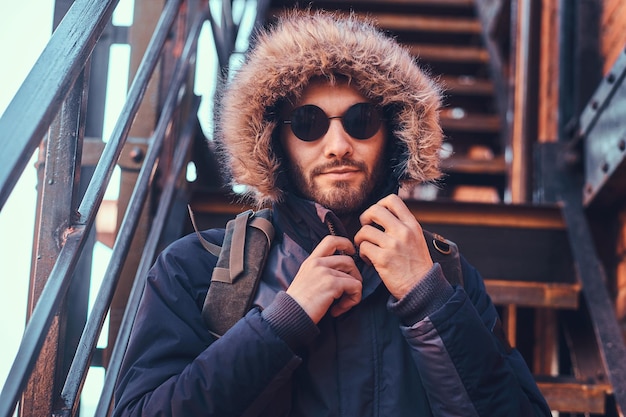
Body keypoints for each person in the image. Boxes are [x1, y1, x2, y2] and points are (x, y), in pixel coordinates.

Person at [113, 10, 551, 417]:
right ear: (275, 141)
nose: (338, 145)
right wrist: (285, 321)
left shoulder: (446, 279)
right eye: (308, 123)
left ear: (393, 134)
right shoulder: (197, 268)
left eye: (360, 121)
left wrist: (428, 300)